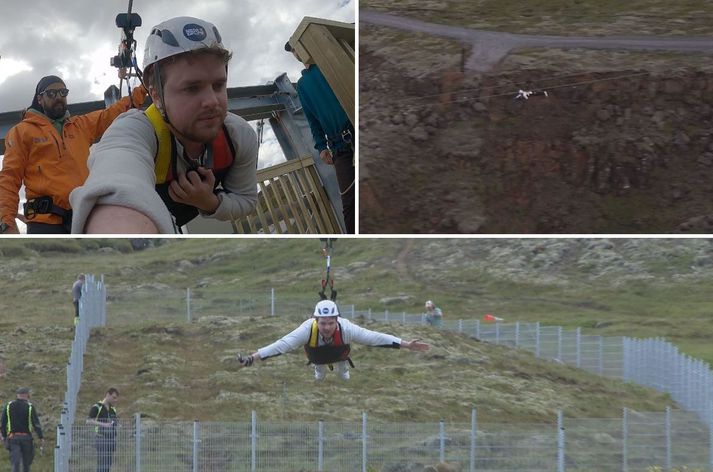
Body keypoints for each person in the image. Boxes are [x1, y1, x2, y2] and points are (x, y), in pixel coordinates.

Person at [70, 17, 259, 234]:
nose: (212, 101)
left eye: (218, 85)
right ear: (156, 95)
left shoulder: (239, 136)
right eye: (192, 88)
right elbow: (116, 179)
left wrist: (209, 202)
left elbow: (246, 199)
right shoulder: (135, 130)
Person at [0, 75, 148, 234]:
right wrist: (6, 223)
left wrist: (144, 88)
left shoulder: (80, 125)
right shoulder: (21, 132)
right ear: (40, 99)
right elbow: (9, 178)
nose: (58, 97)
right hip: (44, 223)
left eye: (63, 93)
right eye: (51, 93)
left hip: (83, 217)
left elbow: (112, 113)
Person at [238, 300, 429, 380]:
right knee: (319, 373)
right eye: (323, 323)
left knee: (343, 370)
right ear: (316, 320)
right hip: (317, 356)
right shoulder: (307, 329)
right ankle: (319, 373)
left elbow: (373, 338)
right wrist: (253, 358)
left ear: (337, 320)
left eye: (331, 323)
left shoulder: (346, 328)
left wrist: (406, 344)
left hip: (339, 354)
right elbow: (282, 345)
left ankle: (342, 372)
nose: (327, 327)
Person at [285, 41, 354, 234]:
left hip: (357, 132)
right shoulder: (302, 85)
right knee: (349, 203)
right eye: (292, 50)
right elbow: (312, 119)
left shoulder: (330, 66)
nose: (295, 51)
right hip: (339, 147)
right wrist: (321, 146)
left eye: (297, 46)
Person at [0, 387, 44, 472]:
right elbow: (36, 424)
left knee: (15, 462)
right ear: (27, 395)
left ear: (17, 395)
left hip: (13, 438)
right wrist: (41, 437)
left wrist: (4, 436)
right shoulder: (30, 407)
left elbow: (3, 422)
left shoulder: (9, 405)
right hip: (26, 438)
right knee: (26, 463)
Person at [86, 388, 119, 472]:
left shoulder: (113, 409)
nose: (115, 400)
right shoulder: (97, 407)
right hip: (101, 438)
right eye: (113, 397)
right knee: (102, 463)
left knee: (108, 463)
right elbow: (88, 421)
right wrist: (104, 424)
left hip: (111, 439)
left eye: (116, 398)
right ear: (107, 395)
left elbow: (114, 422)